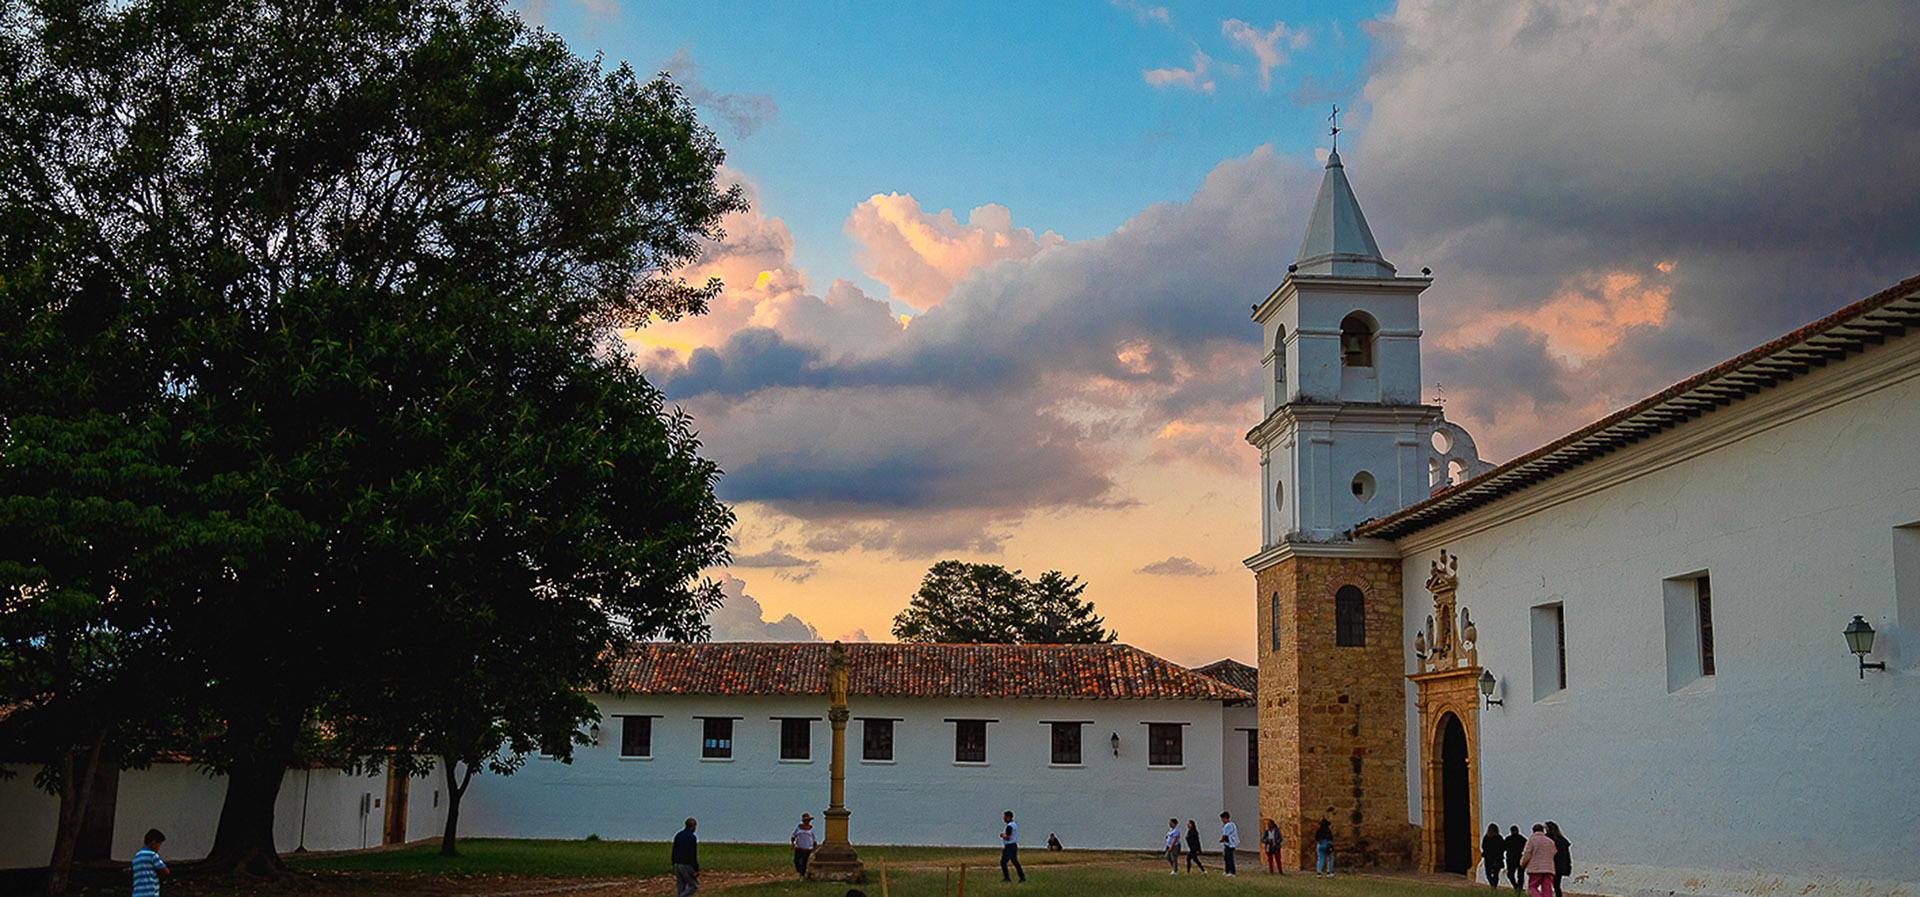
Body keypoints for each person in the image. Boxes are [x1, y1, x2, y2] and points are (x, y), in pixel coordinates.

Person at [1517, 824, 1557, 897]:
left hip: (1535, 869)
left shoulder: (1531, 841)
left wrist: (1522, 863)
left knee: (1532, 886)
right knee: (1547, 888)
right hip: (1549, 868)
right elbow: (1554, 852)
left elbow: (1527, 854)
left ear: (1533, 831)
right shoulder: (1550, 841)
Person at [131, 829, 168, 897]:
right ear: (154, 843)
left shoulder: (137, 856)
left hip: (137, 893)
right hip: (150, 893)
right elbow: (165, 871)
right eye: (159, 844)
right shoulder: (152, 855)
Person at [672, 818, 700, 897]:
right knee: (694, 885)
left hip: (677, 864)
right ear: (693, 826)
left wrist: (673, 863)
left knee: (681, 887)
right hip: (686, 865)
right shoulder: (691, 837)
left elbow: (674, 850)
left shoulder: (678, 835)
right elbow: (692, 853)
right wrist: (696, 868)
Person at [1545, 822, 1571, 897]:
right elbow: (1567, 856)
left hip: (1551, 864)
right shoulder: (1562, 840)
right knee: (1556, 885)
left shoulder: (1548, 839)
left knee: (1547, 884)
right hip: (1560, 866)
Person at [999, 810, 1025, 883]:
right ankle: (1022, 877)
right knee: (1015, 862)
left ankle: (1007, 878)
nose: (1003, 819)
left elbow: (1008, 837)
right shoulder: (1014, 824)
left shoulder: (1009, 826)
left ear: (1008, 817)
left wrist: (1002, 836)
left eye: (1004, 817)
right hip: (1013, 845)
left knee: (1003, 862)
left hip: (1009, 846)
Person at [790, 813, 817, 878]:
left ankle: (802, 874)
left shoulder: (811, 829)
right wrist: (793, 843)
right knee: (796, 860)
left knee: (804, 862)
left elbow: (814, 838)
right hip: (799, 847)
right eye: (805, 821)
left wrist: (814, 847)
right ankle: (800, 871)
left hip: (807, 848)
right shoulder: (798, 827)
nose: (807, 822)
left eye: (808, 821)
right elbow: (793, 835)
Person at [1481, 824, 1506, 888]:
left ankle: (1492, 884)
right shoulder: (1499, 838)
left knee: (1488, 874)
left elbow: (1483, 847)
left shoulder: (1486, 838)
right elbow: (1503, 847)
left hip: (1488, 858)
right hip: (1497, 858)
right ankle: (1494, 885)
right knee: (1496, 874)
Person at [1504, 826, 1527, 893]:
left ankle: (1516, 886)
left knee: (1510, 874)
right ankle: (1520, 887)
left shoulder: (1508, 839)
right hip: (1520, 858)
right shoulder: (1522, 839)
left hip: (1511, 858)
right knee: (1520, 874)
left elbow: (1504, 847)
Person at [1218, 811, 1239, 876]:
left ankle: (1232, 872)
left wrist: (1222, 840)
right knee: (1226, 858)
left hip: (1230, 844)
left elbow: (1225, 835)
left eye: (1222, 818)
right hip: (1229, 843)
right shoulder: (1232, 824)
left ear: (1225, 818)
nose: (1222, 820)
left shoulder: (1228, 825)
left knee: (1229, 858)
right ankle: (1227, 870)